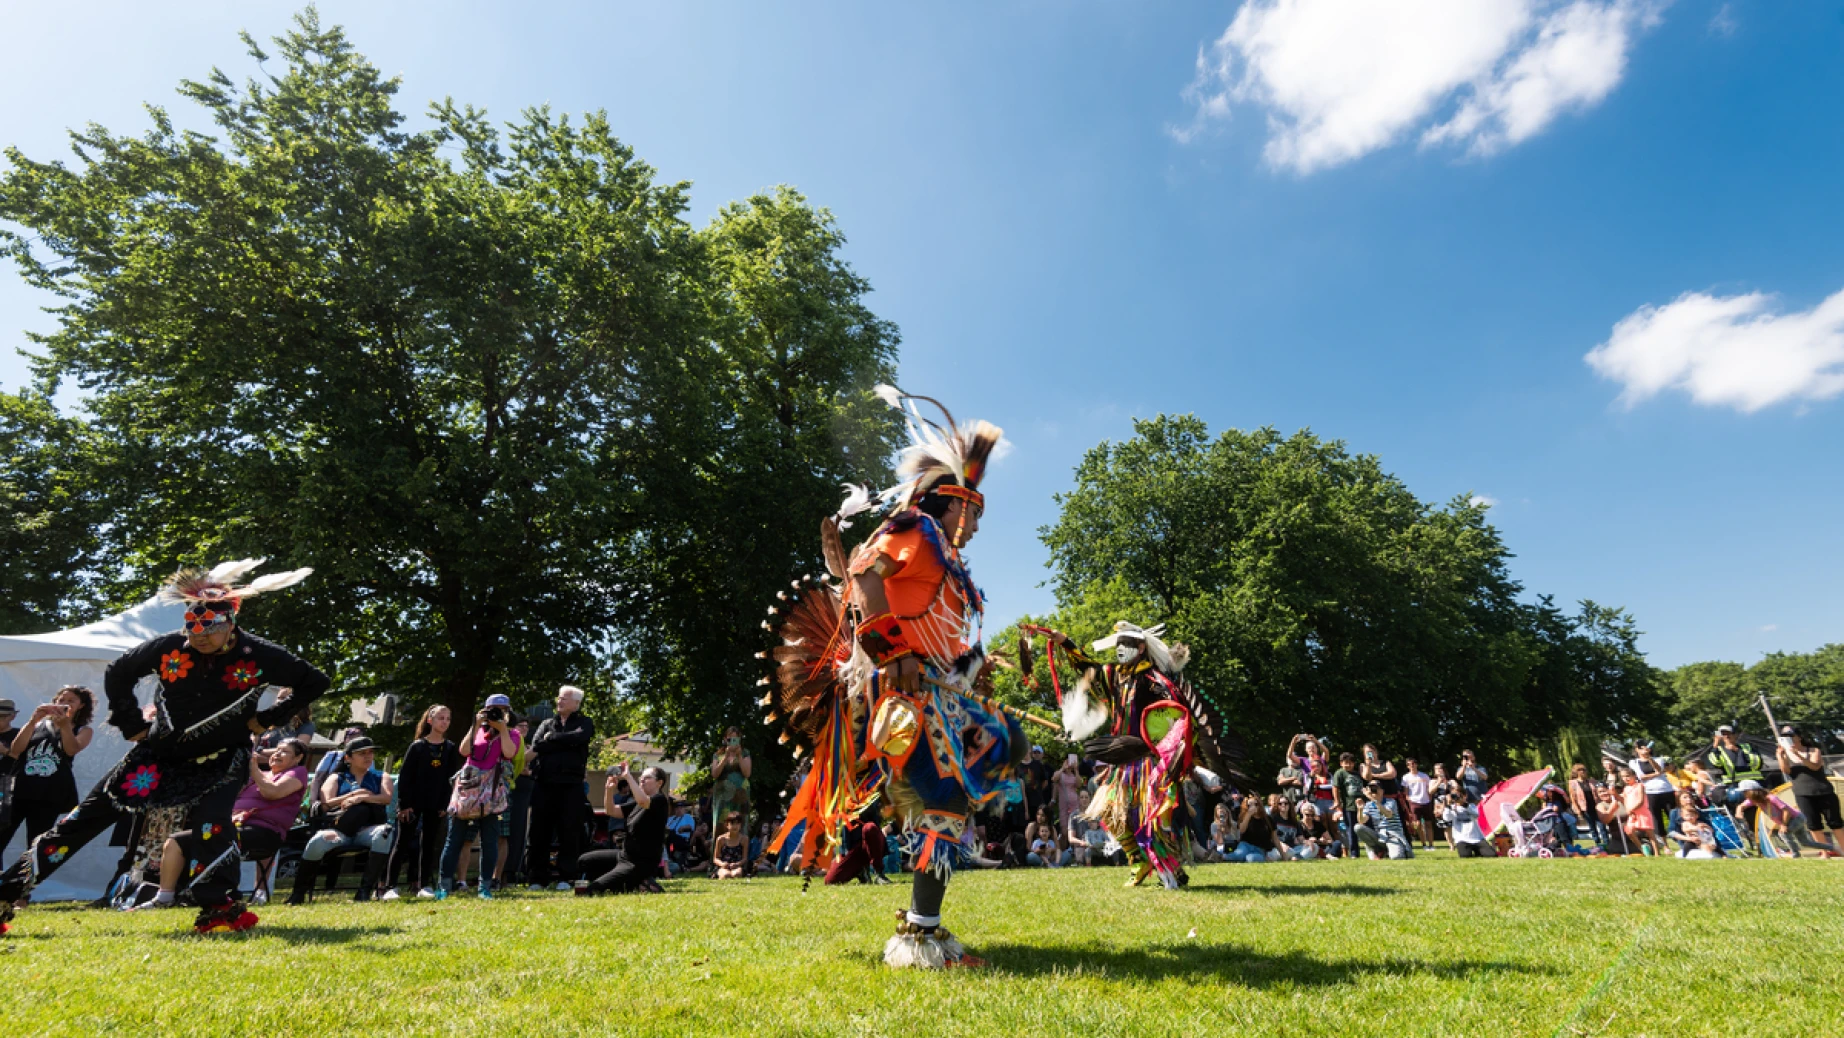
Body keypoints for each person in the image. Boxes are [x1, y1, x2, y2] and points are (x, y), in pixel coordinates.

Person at [764, 389, 1022, 969]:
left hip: (930, 690)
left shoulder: (949, 565)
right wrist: (887, 648)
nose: (978, 524)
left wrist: (973, 671)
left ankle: (921, 924)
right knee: (944, 794)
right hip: (901, 691)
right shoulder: (917, 533)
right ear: (952, 504)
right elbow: (862, 573)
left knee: (981, 768)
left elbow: (940, 634)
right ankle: (920, 939)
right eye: (975, 512)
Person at [0, 561, 323, 937]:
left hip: (219, 760)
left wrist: (270, 717)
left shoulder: (260, 655)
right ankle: (7, 892)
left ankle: (218, 907)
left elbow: (314, 681)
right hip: (156, 756)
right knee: (84, 818)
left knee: (211, 825)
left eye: (208, 632)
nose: (198, 639)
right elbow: (119, 672)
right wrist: (131, 723)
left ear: (229, 625)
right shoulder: (170, 646)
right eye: (191, 630)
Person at [1034, 619, 1237, 891]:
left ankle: (1169, 866)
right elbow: (1089, 667)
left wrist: (1176, 755)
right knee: (1107, 810)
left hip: (1149, 761)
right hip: (1121, 759)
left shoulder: (1155, 680)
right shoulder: (1115, 675)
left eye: (1127, 644)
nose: (1120, 649)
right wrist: (1064, 642)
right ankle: (1138, 860)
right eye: (1118, 644)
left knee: (1152, 817)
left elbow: (1175, 716)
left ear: (1141, 648)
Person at [139, 739, 308, 910]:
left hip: (264, 833)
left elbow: (272, 792)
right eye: (276, 750)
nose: (277, 754)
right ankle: (166, 897)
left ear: (298, 757)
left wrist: (253, 767)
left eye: (284, 751)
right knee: (176, 841)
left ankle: (211, 894)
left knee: (214, 837)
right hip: (232, 826)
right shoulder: (258, 776)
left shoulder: (298, 772)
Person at [290, 736, 395, 902]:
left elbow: (386, 798)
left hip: (367, 829)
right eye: (362, 753)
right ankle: (298, 893)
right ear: (348, 758)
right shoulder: (336, 778)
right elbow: (326, 804)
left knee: (386, 832)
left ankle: (364, 892)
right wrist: (354, 794)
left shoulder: (381, 776)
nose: (368, 756)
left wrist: (361, 798)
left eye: (370, 752)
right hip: (340, 828)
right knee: (317, 840)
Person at [436, 697, 520, 899]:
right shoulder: (478, 730)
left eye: (501, 710)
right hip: (468, 790)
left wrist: (502, 729)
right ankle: (444, 886)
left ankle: (485, 887)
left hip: (492, 791)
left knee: (489, 840)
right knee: (454, 838)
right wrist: (475, 724)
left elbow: (509, 753)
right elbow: (464, 751)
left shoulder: (512, 734)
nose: (496, 714)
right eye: (492, 710)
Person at [0, 687, 95, 855]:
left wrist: (65, 726)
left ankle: (24, 881)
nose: (63, 703)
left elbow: (71, 750)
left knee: (36, 845)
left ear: (81, 705)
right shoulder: (37, 725)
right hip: (20, 788)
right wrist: (32, 721)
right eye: (60, 700)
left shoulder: (83, 730)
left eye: (71, 701)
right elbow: (16, 749)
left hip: (50, 793)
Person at [525, 685, 594, 891]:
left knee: (569, 831)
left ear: (576, 703)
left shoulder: (585, 722)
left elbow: (579, 737)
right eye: (559, 698)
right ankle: (537, 878)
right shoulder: (547, 723)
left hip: (571, 785)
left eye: (564, 699)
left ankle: (567, 877)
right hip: (543, 784)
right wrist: (562, 742)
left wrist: (552, 739)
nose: (559, 701)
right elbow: (537, 745)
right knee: (539, 832)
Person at [394, 704, 461, 898]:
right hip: (413, 802)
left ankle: (424, 885)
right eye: (441, 718)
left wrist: (444, 804)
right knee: (402, 843)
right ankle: (390, 886)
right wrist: (404, 804)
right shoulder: (417, 746)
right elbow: (405, 777)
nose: (445, 722)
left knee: (429, 843)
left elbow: (450, 778)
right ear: (430, 720)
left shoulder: (449, 748)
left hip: (435, 803)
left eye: (448, 719)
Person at [575, 762, 668, 895]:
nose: (641, 779)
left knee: (592, 891)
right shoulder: (636, 803)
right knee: (584, 861)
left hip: (640, 863)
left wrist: (628, 777)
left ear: (659, 783)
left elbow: (644, 802)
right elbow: (611, 810)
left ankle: (638, 881)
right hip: (624, 855)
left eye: (647, 777)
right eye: (641, 776)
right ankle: (635, 882)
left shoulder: (660, 800)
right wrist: (609, 789)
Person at [1776, 726, 1841, 853]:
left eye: (1791, 736)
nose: (1789, 739)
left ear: (1799, 737)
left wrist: (1798, 754)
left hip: (1824, 791)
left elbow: (1815, 766)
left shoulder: (1813, 751)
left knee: (1835, 823)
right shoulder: (1786, 755)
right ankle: (1825, 853)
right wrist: (1780, 756)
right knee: (1813, 825)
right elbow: (1786, 771)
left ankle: (1843, 850)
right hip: (1803, 794)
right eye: (1785, 737)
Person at [493, 716, 534, 891]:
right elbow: (518, 765)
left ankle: (510, 873)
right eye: (520, 726)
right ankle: (497, 874)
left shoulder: (530, 746)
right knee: (501, 834)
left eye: (526, 726)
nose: (524, 729)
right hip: (509, 791)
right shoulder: (510, 742)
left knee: (517, 834)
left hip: (524, 794)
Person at [708, 725, 751, 874]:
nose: (732, 741)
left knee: (741, 824)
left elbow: (747, 773)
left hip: (741, 794)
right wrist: (725, 757)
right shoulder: (718, 755)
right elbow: (714, 774)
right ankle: (718, 863)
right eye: (729, 738)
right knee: (720, 825)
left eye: (735, 738)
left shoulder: (745, 753)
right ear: (725, 739)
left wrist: (739, 756)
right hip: (722, 796)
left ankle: (742, 864)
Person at [1706, 726, 1766, 805]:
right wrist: (1715, 744)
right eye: (1723, 734)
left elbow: (1757, 763)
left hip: (1754, 785)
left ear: (1735, 735)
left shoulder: (1748, 747)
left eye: (1729, 734)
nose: (1727, 736)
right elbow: (1715, 762)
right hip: (1734, 787)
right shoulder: (1719, 750)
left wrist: (1738, 751)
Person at [1355, 781, 1414, 860]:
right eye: (1371, 788)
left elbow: (1388, 814)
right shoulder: (1368, 805)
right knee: (1358, 827)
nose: (1373, 790)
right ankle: (1378, 849)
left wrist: (1373, 799)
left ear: (1382, 791)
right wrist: (1360, 810)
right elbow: (1362, 821)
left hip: (1393, 835)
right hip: (1380, 835)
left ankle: (1389, 850)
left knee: (1396, 857)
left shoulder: (1391, 802)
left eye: (1376, 788)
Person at [1442, 790, 1495, 858]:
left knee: (1491, 855)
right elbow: (1446, 818)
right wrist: (1448, 806)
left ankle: (1478, 852)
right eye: (1454, 796)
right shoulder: (1451, 808)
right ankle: (1477, 852)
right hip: (1461, 839)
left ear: (1465, 796)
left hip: (1477, 838)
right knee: (1465, 856)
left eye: (1459, 796)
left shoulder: (1471, 806)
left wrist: (1464, 804)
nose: (1457, 798)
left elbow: (1476, 815)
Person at [1331, 753, 1364, 859]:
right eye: (1346, 763)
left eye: (1350, 763)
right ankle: (1354, 853)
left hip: (1361, 805)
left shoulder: (1357, 774)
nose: (1348, 765)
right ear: (1341, 763)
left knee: (1363, 828)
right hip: (1348, 806)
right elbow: (1335, 787)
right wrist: (1337, 802)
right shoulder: (1340, 773)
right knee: (1351, 830)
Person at [1568, 763, 1605, 850]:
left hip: (1596, 806)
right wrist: (1578, 810)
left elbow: (1598, 791)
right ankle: (1598, 843)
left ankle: (1606, 842)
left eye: (1584, 770)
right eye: (1580, 770)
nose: (1582, 772)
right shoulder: (1573, 783)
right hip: (1585, 808)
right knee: (1592, 826)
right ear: (1576, 772)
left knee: (1601, 825)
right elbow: (1573, 798)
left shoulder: (1591, 781)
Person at [1400, 758, 1434, 850]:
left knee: (1428, 824)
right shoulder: (1406, 777)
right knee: (1418, 824)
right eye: (1410, 764)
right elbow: (1405, 792)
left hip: (1426, 801)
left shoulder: (1424, 776)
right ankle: (1424, 844)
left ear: (1417, 764)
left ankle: (1431, 844)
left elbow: (1429, 789)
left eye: (1414, 763)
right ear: (1407, 766)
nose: (1412, 765)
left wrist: (1429, 799)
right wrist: (1409, 801)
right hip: (1414, 802)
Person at [712, 811, 749, 879]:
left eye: (737, 823)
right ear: (727, 825)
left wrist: (737, 864)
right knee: (726, 875)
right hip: (723, 866)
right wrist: (722, 864)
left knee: (736, 874)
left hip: (737, 866)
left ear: (741, 825)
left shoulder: (744, 839)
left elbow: (744, 858)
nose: (735, 826)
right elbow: (715, 858)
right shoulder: (720, 839)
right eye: (732, 823)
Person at [1053, 753, 1083, 831]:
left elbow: (1079, 784)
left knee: (1075, 829)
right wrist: (1063, 768)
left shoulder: (1074, 775)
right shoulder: (1060, 773)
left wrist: (1076, 769)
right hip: (1064, 804)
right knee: (1064, 831)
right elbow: (1054, 779)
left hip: (1075, 804)